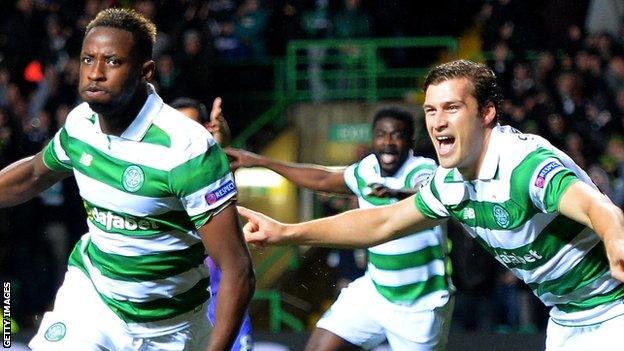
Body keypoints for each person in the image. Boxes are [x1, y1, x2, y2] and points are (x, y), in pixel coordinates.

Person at [238, 60, 624, 351]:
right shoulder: (450, 183)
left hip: (615, 309)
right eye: (431, 110)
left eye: (452, 108)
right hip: (566, 318)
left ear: (487, 113)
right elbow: (381, 223)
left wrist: (613, 236)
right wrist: (286, 232)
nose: (438, 123)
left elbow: (595, 206)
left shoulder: (523, 166)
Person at [0, 8, 254, 350]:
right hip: (94, 301)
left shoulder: (187, 150)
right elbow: (33, 174)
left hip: (172, 326)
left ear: (145, 72)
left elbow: (237, 268)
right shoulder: (80, 124)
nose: (95, 73)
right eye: (88, 60)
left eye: (113, 62)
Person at [226, 106, 454, 350]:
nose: (387, 142)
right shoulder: (367, 170)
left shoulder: (423, 170)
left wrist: (395, 193)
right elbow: (323, 179)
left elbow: (425, 193)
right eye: (381, 134)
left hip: (420, 304)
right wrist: (259, 161)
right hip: (375, 291)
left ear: (410, 140)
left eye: (396, 135)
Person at [172, 96, 254, 351]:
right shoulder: (151, 177)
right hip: (176, 306)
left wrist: (222, 139)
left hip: (221, 302)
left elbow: (216, 163)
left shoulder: (210, 172)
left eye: (192, 126)